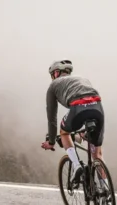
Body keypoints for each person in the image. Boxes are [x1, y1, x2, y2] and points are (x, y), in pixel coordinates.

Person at [40, 59, 109, 191]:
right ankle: (106, 190)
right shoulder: (83, 79)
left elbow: (52, 118)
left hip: (78, 107)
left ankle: (77, 166)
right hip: (98, 107)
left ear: (56, 73)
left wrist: (52, 141)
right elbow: (88, 101)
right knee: (97, 154)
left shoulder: (53, 85)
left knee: (64, 132)